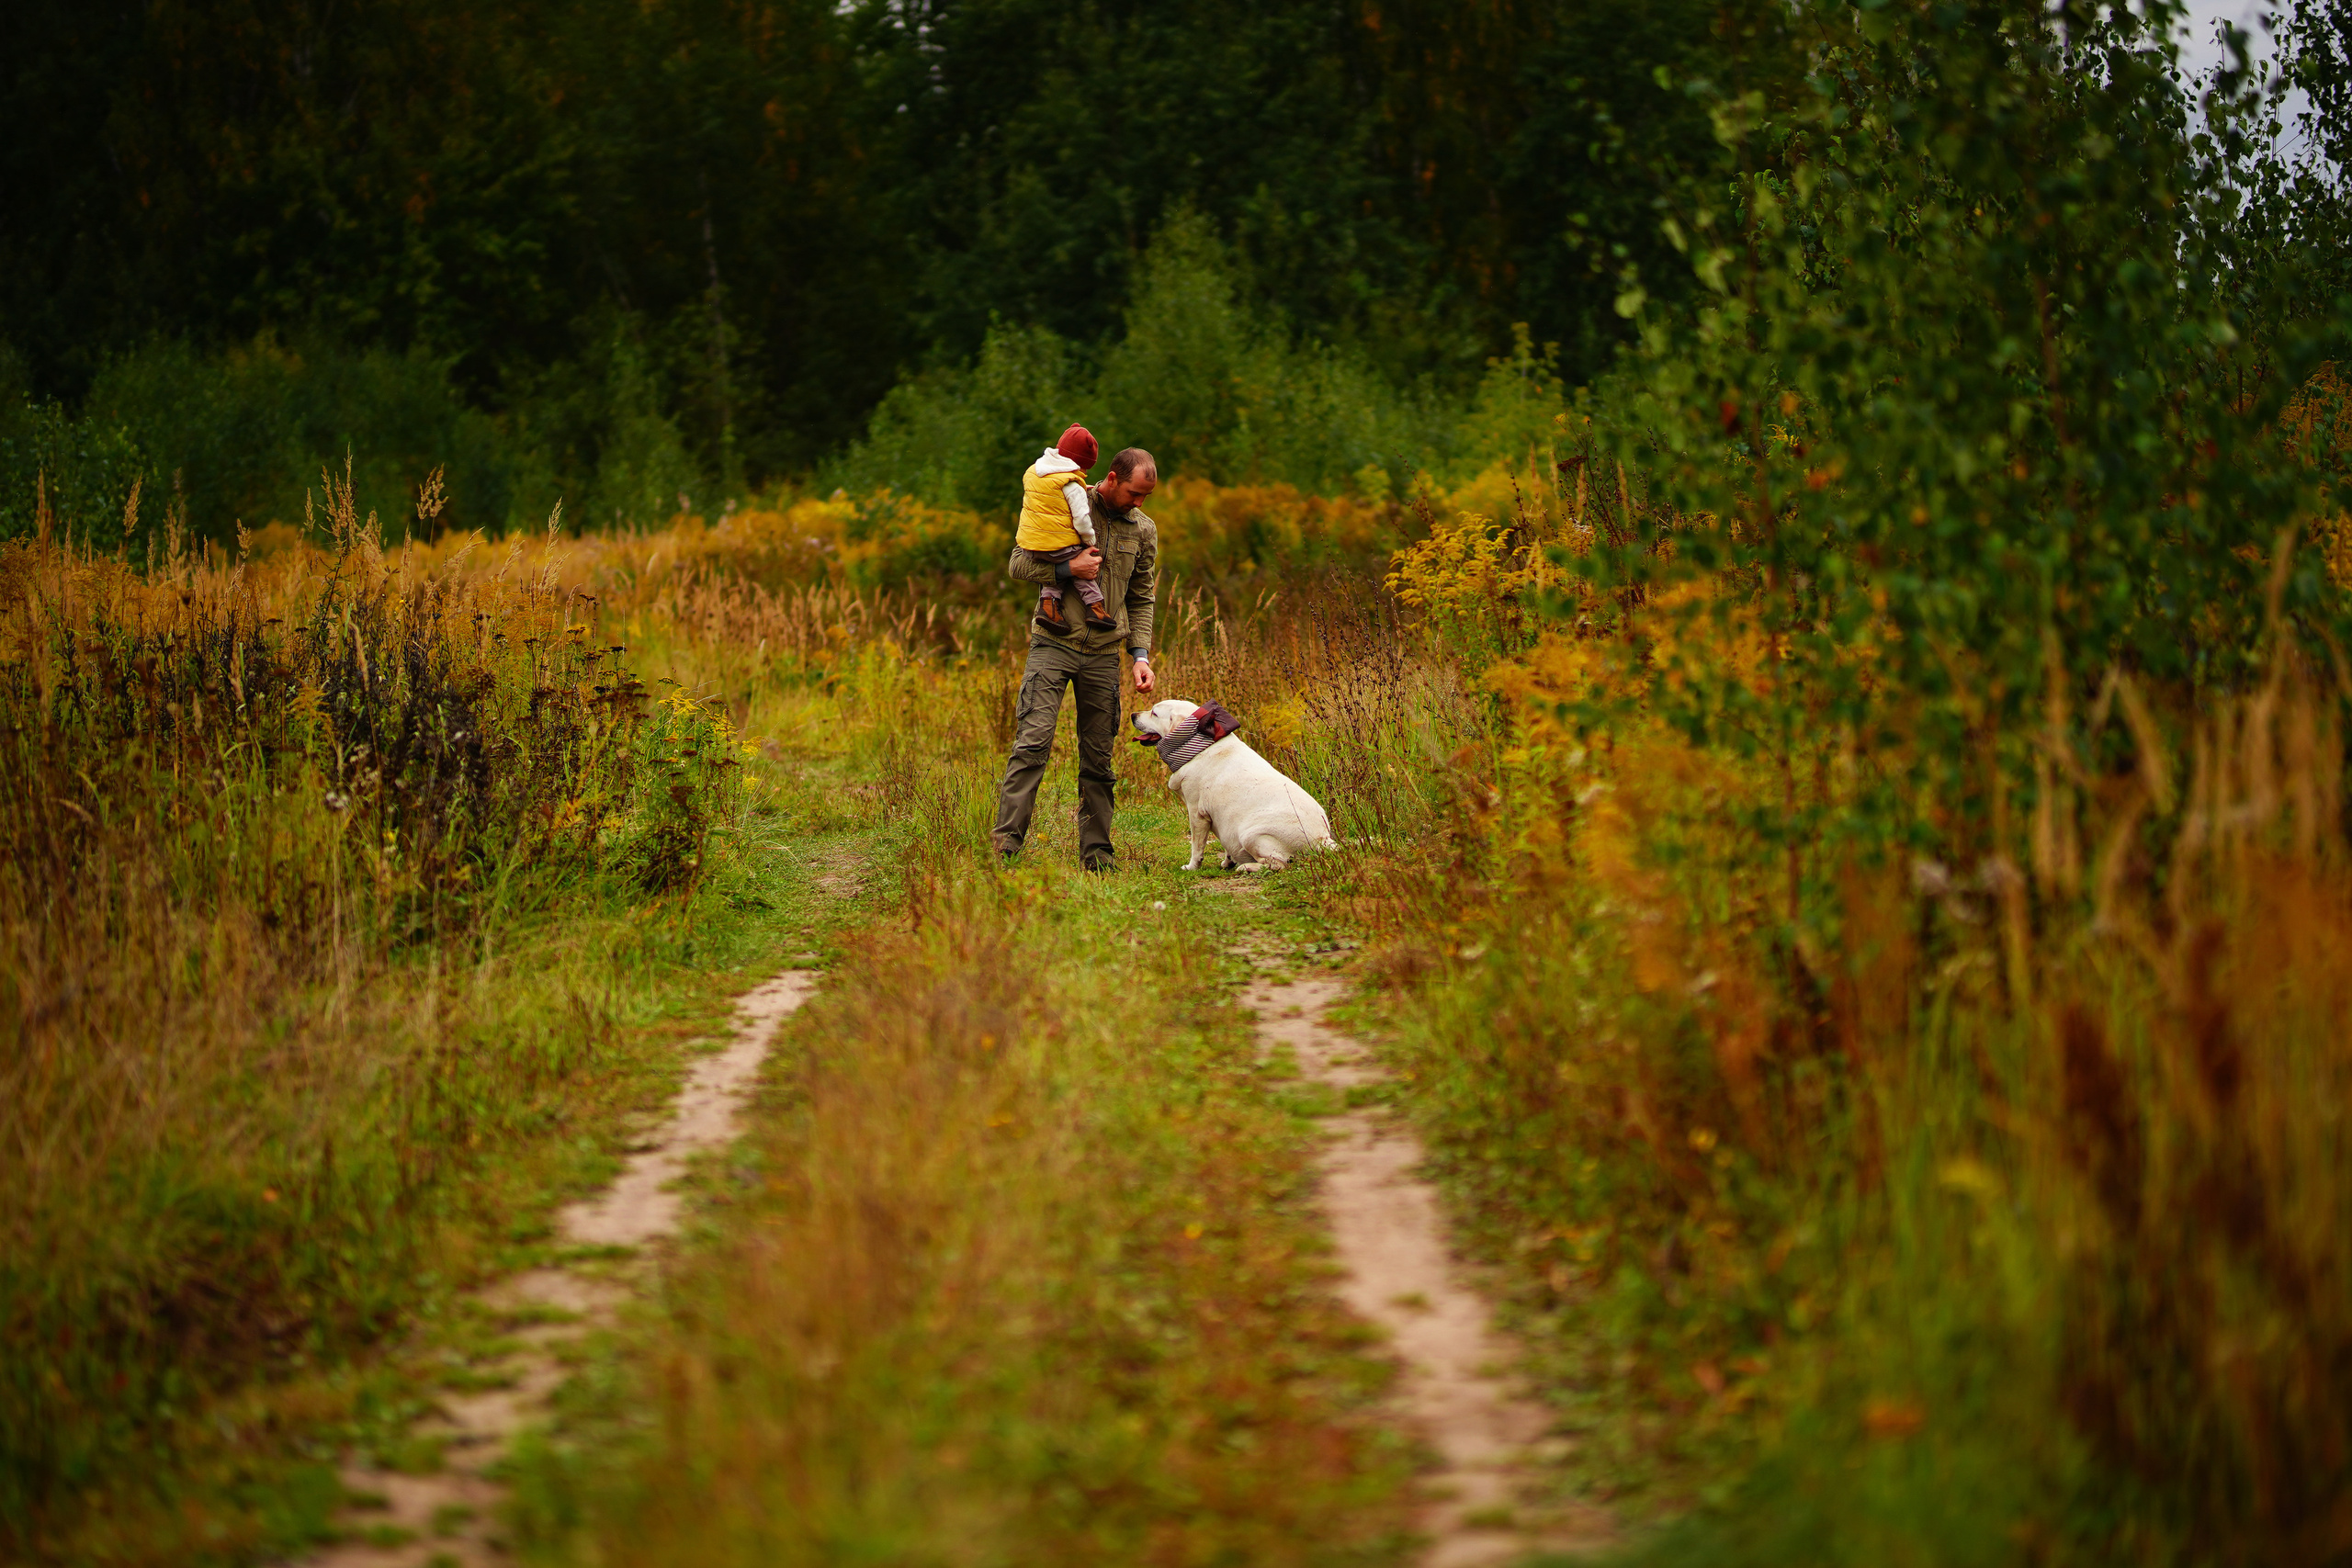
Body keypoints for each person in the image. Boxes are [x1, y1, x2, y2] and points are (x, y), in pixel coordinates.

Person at [990, 446, 1160, 871]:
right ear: (1112, 478)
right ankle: (1005, 848)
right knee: (1033, 744)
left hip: (1104, 655)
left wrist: (1139, 655)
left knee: (1099, 758)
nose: (1138, 503)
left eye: (1145, 497)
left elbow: (1142, 597)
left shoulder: (1144, 530)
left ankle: (1097, 855)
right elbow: (1018, 563)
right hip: (1053, 644)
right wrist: (1068, 572)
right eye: (1133, 493)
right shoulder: (1068, 499)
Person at [1015, 424, 1117, 636]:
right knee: (1081, 564)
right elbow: (1081, 519)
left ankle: (1048, 606)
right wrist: (1089, 542)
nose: (1085, 474)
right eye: (1085, 469)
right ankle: (1095, 608)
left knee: (1058, 563)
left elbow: (1053, 498)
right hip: (1055, 545)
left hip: (1030, 544)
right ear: (1079, 463)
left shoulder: (1036, 471)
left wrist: (1079, 489)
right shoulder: (1070, 485)